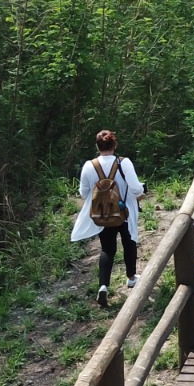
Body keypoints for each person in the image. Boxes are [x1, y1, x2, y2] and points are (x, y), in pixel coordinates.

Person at [70, 129, 145, 308]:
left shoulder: (89, 165)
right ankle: (132, 278)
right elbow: (136, 189)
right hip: (124, 213)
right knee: (129, 243)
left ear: (98, 146)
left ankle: (103, 286)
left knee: (107, 250)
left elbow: (83, 193)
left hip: (102, 215)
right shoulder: (124, 163)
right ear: (115, 145)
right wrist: (140, 192)